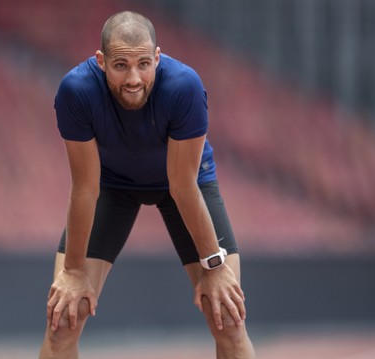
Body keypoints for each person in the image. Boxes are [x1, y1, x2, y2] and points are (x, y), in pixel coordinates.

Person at [39, 10, 255, 359]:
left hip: (187, 184)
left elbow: (182, 186)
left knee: (228, 319)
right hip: (111, 185)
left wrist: (213, 267)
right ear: (101, 62)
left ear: (157, 57)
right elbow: (85, 188)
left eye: (143, 63)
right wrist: (74, 271)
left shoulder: (184, 87)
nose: (134, 78)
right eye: (121, 65)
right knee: (64, 319)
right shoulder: (76, 91)